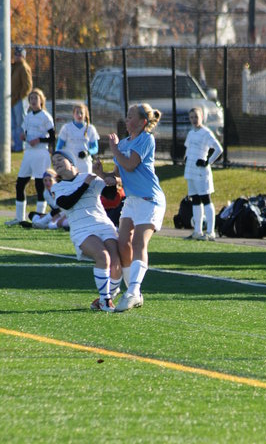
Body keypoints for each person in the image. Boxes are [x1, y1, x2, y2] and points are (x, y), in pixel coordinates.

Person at [93, 102, 166, 313]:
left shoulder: (146, 139)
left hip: (150, 199)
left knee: (138, 242)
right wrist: (101, 174)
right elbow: (118, 177)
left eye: (131, 116)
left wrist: (115, 149)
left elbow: (131, 164)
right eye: (126, 116)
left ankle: (132, 291)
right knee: (123, 243)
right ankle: (133, 292)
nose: (126, 120)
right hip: (132, 200)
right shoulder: (124, 143)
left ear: (143, 122)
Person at [51, 150, 122, 312]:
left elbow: (111, 195)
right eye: (54, 162)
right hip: (82, 229)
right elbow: (67, 203)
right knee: (103, 256)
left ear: (71, 162)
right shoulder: (57, 187)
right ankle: (105, 301)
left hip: (103, 225)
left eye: (60, 159)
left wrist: (104, 176)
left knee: (116, 261)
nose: (56, 164)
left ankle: (107, 297)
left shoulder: (89, 177)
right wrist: (85, 185)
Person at [6, 88, 55, 226]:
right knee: (20, 184)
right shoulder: (28, 116)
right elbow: (26, 133)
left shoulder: (45, 116)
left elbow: (52, 137)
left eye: (35, 98)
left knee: (40, 186)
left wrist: (39, 140)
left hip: (41, 154)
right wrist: (24, 136)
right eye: (31, 98)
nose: (33, 101)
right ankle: (19, 218)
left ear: (41, 100)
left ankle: (39, 219)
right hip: (28, 153)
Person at [183, 106, 223, 240]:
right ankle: (197, 231)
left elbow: (218, 149)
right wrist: (186, 157)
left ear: (202, 117)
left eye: (196, 117)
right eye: (191, 117)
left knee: (206, 199)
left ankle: (211, 232)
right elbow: (188, 148)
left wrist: (207, 161)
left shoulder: (206, 133)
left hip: (201, 172)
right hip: (190, 171)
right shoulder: (191, 133)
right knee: (195, 200)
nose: (194, 119)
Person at [56, 102, 99, 173]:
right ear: (73, 114)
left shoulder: (90, 128)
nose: (79, 115)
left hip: (85, 164)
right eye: (77, 113)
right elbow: (58, 147)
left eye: (82, 113)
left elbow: (95, 148)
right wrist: (62, 159)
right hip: (70, 164)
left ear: (85, 114)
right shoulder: (66, 128)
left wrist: (87, 152)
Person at [11, 46, 33, 152]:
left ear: (23, 56)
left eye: (19, 55)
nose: (17, 56)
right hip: (12, 100)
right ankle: (16, 145)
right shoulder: (14, 67)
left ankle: (21, 146)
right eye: (16, 54)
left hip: (20, 100)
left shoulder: (24, 67)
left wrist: (19, 96)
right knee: (13, 124)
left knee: (20, 124)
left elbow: (28, 86)